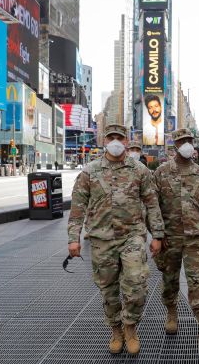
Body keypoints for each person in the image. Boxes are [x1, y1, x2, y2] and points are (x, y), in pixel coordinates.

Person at [68, 124, 166, 355]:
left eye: (119, 137)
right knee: (108, 290)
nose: (115, 141)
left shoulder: (139, 170)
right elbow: (77, 208)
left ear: (126, 140)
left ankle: (130, 327)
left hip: (132, 237)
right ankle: (116, 330)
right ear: (104, 140)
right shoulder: (89, 171)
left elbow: (152, 204)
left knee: (136, 284)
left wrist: (158, 235)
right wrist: (74, 239)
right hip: (101, 240)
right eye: (110, 137)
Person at [153, 128, 199, 347]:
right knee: (169, 280)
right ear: (174, 145)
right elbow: (152, 206)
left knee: (197, 281)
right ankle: (172, 313)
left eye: (189, 141)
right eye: (182, 141)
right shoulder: (161, 172)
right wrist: (157, 233)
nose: (186, 144)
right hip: (170, 237)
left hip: (195, 237)